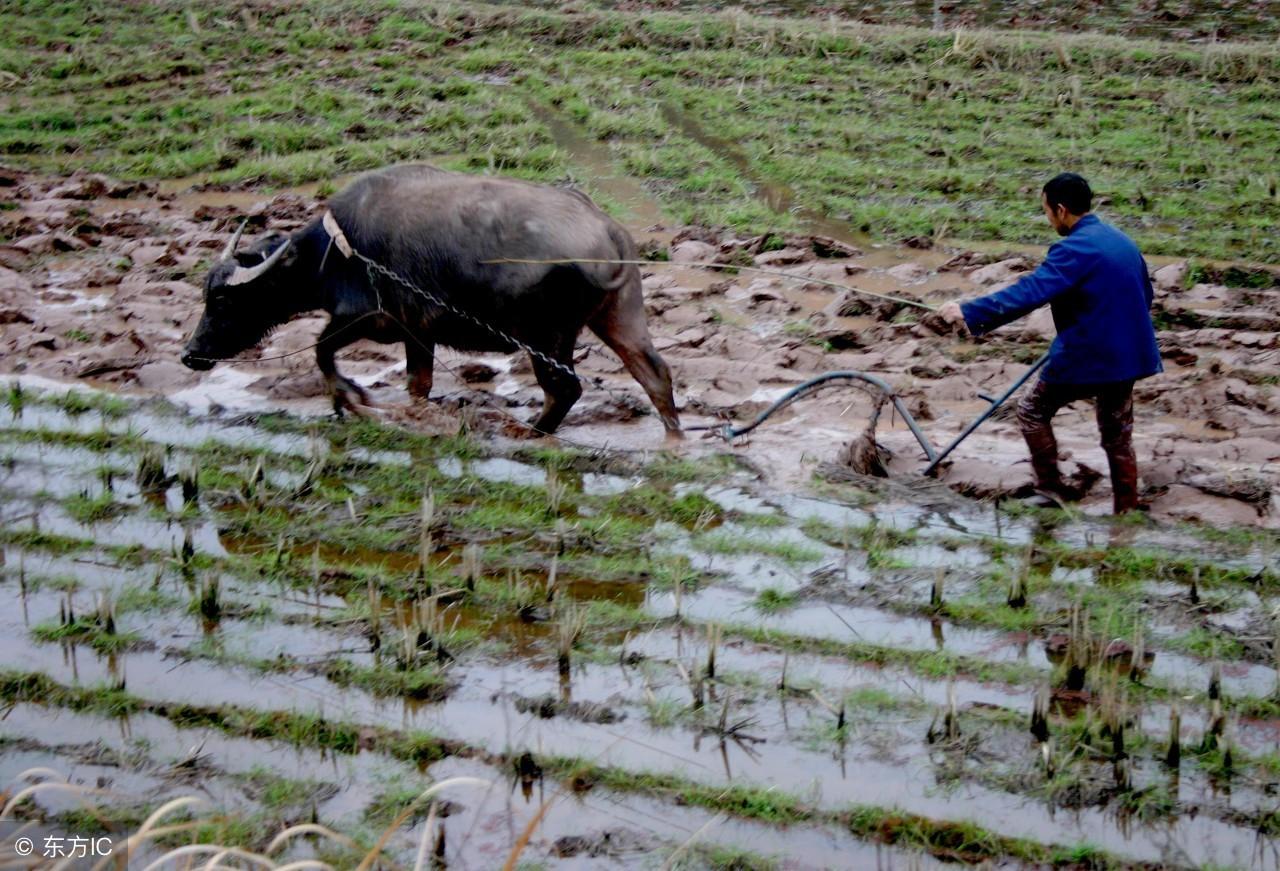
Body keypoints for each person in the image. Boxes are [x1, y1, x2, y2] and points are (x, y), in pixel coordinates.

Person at [939, 172, 1161, 513]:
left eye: (1046, 211)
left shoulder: (1073, 248)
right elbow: (1145, 296)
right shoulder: (1121, 241)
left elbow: (1031, 292)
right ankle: (1127, 507)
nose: (1048, 219)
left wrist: (968, 311)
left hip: (1090, 354)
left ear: (1060, 210)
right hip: (1129, 354)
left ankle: (1051, 489)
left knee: (1031, 411)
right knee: (1117, 433)